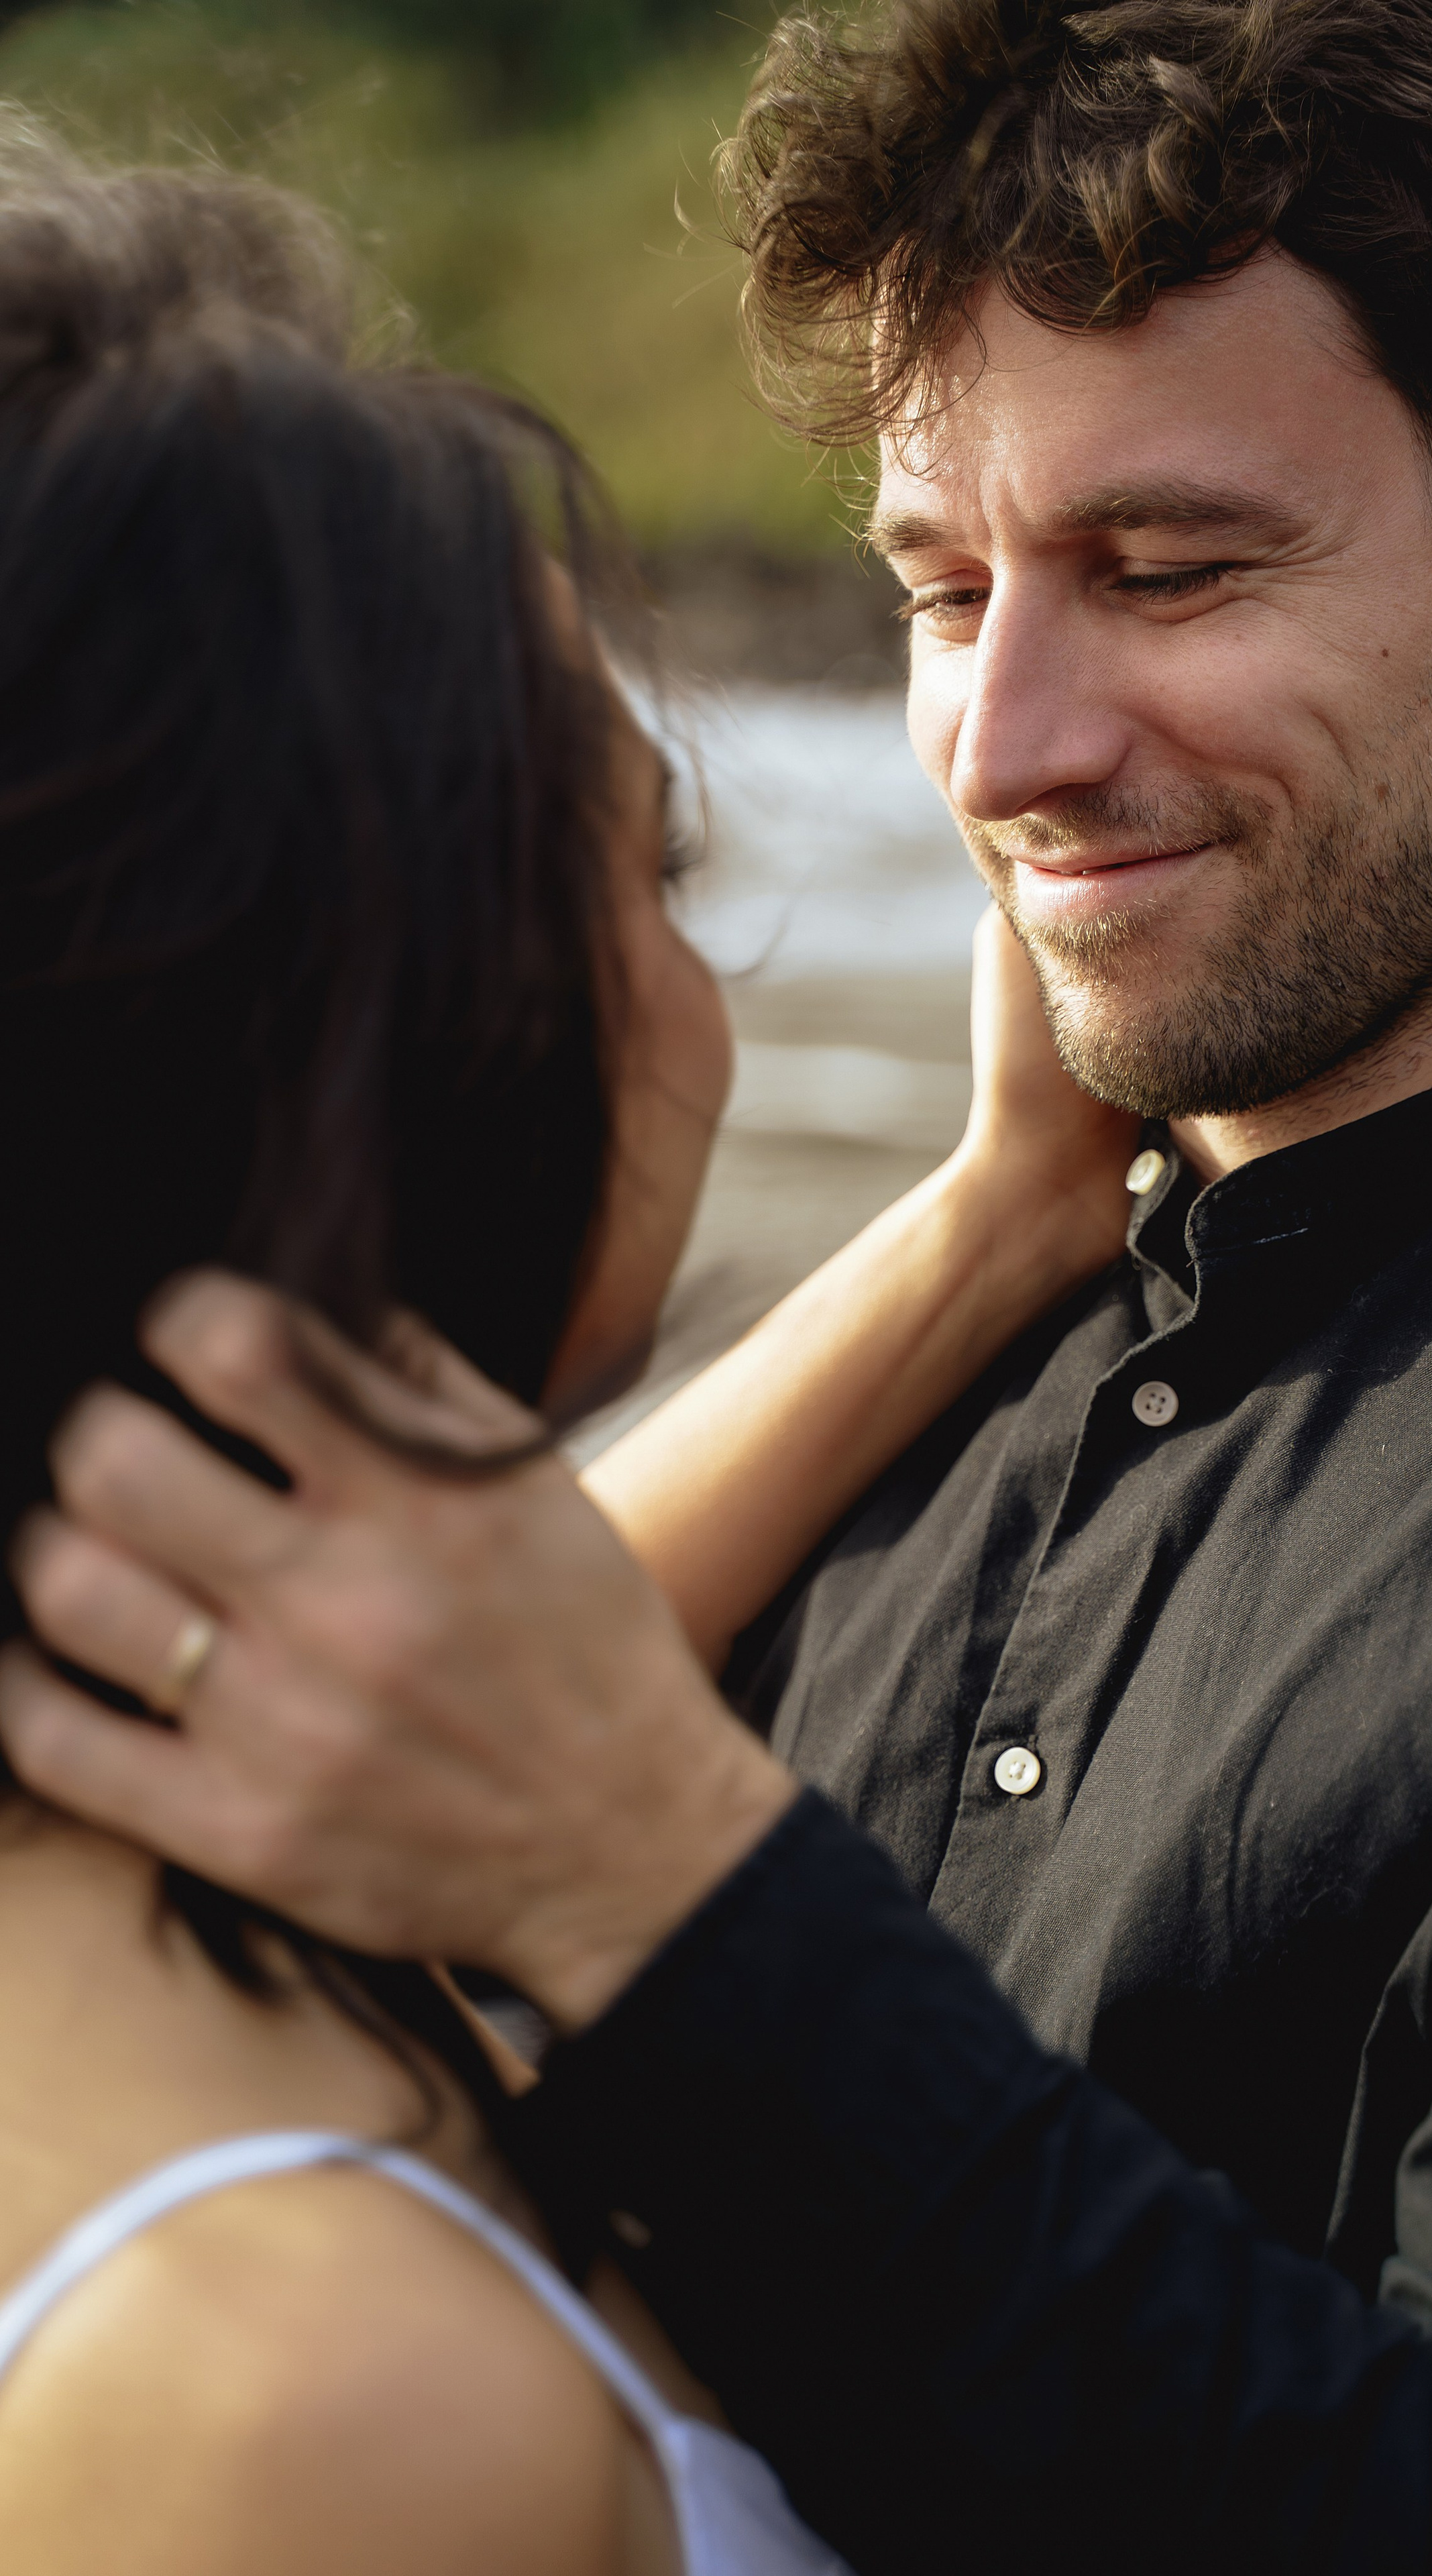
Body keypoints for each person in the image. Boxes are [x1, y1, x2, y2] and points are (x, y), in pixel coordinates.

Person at [6, 0, 1432, 2565]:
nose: (1001, 743)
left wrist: (661, 1881)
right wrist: (989, 1225)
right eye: (938, 584)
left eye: (1168, 571)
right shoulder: (969, 1299)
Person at [0, 118, 883, 2576]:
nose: (701, 1006)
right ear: (389, 1038)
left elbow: (543, 1614)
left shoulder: (174, 1819)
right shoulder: (324, 2424)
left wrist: (1001, 1217)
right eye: (653, 872)